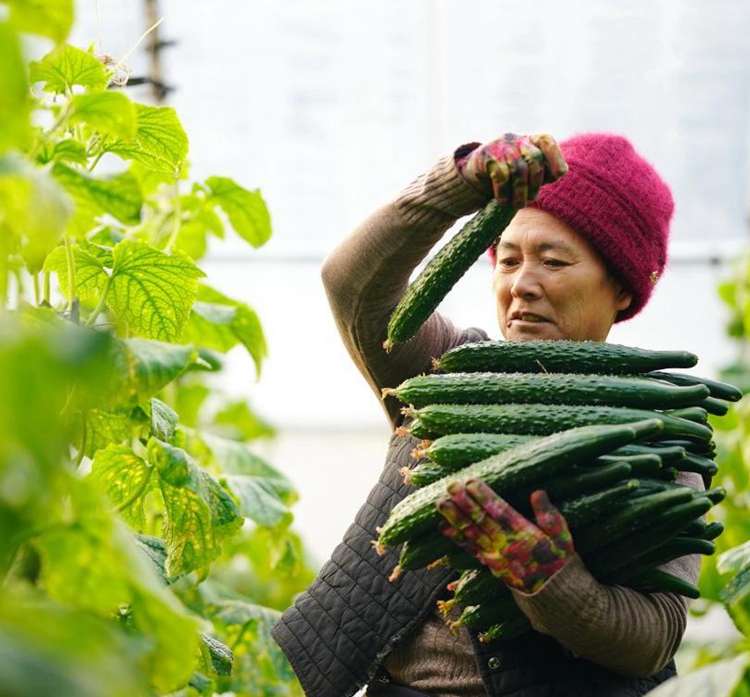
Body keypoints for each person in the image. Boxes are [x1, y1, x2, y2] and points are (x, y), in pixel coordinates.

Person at [271, 132, 703, 697]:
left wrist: (546, 578)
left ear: (621, 288)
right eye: (508, 258)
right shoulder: (444, 370)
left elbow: (653, 636)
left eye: (553, 261)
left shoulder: (656, 435)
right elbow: (352, 285)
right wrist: (459, 186)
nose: (521, 284)